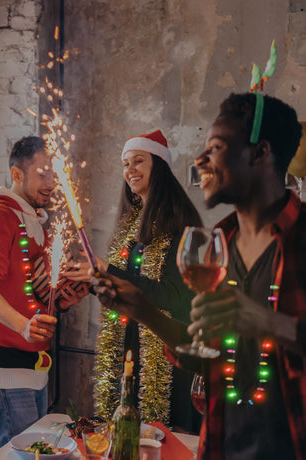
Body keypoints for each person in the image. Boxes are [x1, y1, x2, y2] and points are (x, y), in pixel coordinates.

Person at [92, 92, 305, 459]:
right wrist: (144, 310)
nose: (200, 161)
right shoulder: (220, 241)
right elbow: (204, 356)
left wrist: (266, 321)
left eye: (216, 148)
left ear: (260, 154)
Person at [65, 130, 202, 429]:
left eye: (138, 161)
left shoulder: (180, 225)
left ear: (159, 166)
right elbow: (131, 283)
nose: (130, 170)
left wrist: (109, 270)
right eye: (125, 164)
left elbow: (173, 296)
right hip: (130, 347)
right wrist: (91, 281)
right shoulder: (132, 224)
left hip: (165, 355)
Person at [0, 136, 88, 448]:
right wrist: (24, 326)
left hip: (33, 361)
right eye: (42, 173)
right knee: (22, 453)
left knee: (37, 452)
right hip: (5, 365)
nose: (51, 183)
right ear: (17, 174)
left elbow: (30, 294)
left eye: (54, 174)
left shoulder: (34, 222)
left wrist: (64, 299)